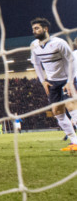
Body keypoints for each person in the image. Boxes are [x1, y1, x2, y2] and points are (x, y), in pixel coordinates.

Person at [29, 17, 76, 151]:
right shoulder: (34, 45)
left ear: (46, 29)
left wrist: (70, 81)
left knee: (71, 106)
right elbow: (36, 64)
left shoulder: (59, 43)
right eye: (33, 29)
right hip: (52, 82)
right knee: (57, 112)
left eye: (37, 28)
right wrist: (43, 81)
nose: (34, 31)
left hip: (66, 80)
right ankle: (74, 140)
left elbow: (71, 60)